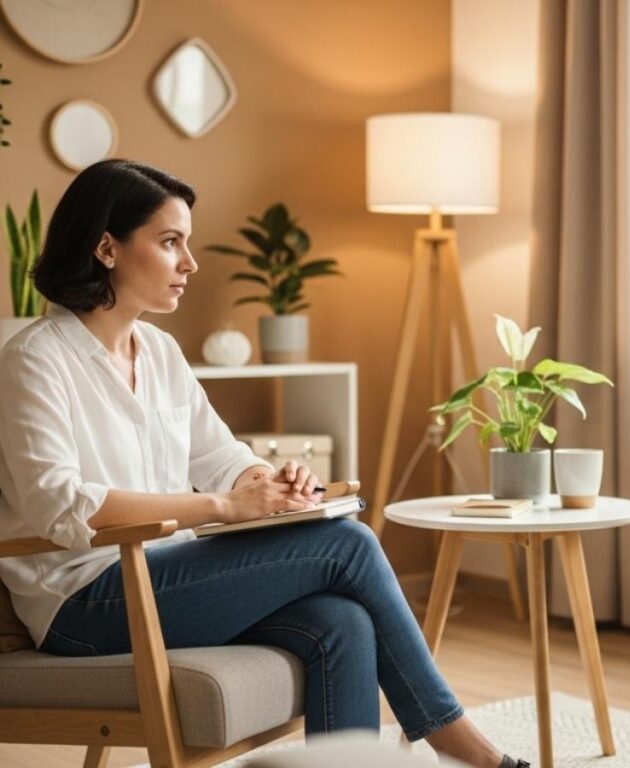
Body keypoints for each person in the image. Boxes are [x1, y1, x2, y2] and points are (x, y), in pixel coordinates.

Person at [0, 159, 528, 768]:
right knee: (348, 546)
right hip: (83, 602)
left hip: (162, 576)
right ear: (106, 248)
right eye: (171, 242)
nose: (189, 263)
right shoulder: (35, 360)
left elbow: (221, 456)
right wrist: (224, 506)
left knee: (343, 623)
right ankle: (466, 749)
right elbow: (60, 504)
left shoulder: (162, 352)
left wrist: (269, 482)